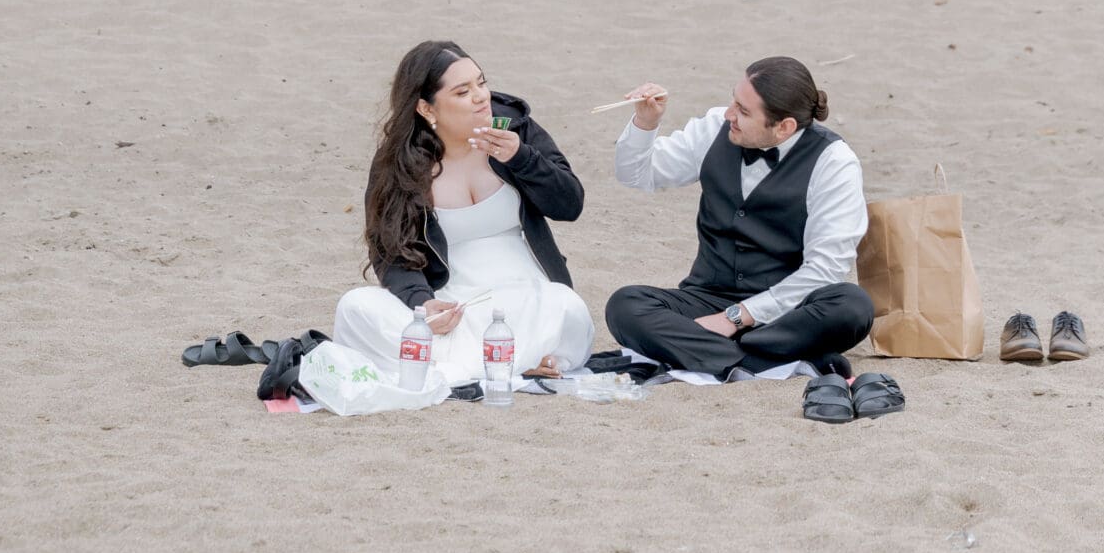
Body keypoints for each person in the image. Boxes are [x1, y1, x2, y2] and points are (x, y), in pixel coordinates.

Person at [334, 40, 594, 389]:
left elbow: (569, 205)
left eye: (481, 83)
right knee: (355, 307)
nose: (481, 97)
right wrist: (423, 303)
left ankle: (468, 365)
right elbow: (389, 251)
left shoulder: (515, 129)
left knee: (568, 308)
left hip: (525, 297)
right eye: (462, 91)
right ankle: (511, 363)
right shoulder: (400, 163)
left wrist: (523, 159)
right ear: (427, 109)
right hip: (453, 301)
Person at [606, 56, 874, 380]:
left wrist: (736, 318)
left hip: (788, 308)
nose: (730, 114)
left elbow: (825, 269)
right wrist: (645, 124)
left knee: (852, 306)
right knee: (625, 306)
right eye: (734, 100)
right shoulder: (715, 126)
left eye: (744, 112)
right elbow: (636, 175)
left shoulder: (834, 162)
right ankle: (764, 362)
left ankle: (716, 354)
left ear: (784, 127)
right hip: (707, 297)